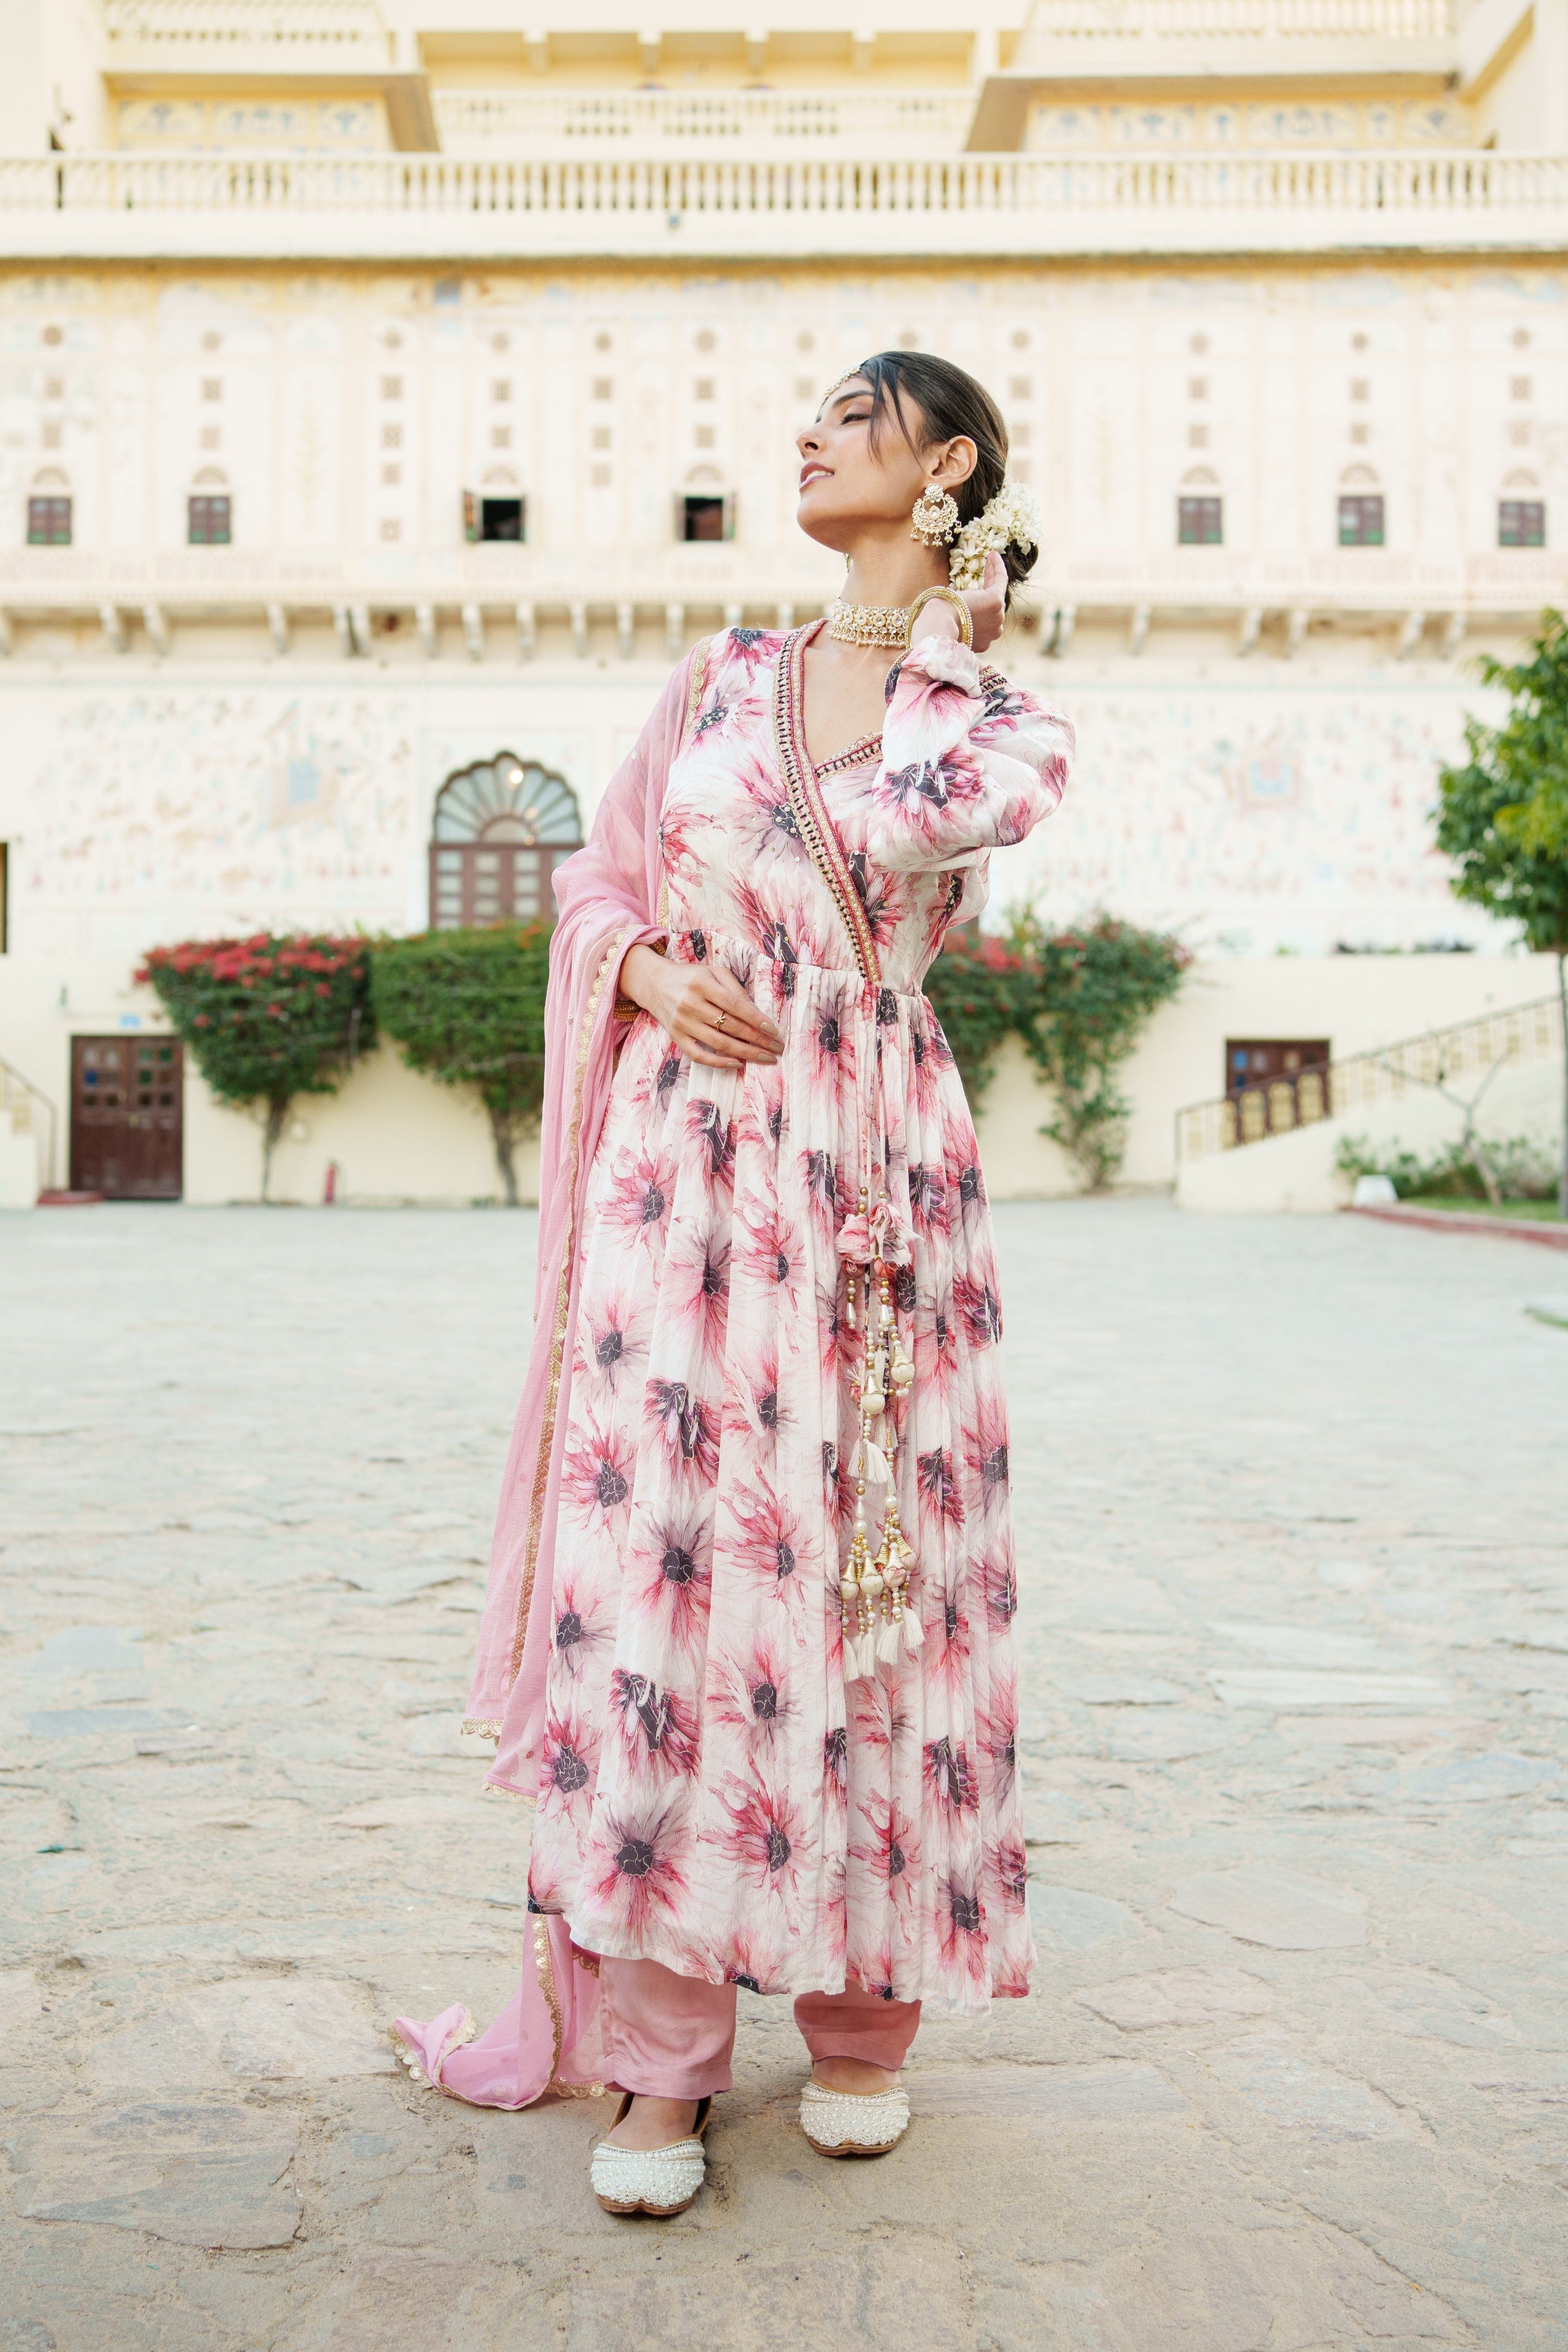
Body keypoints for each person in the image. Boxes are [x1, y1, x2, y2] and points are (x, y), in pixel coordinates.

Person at [393, 350, 1074, 2216]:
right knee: (675, 1577)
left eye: (853, 419)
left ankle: (863, 2025)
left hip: (873, 1173)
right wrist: (634, 978)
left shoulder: (986, 714)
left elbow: (945, 822)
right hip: (687, 1179)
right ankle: (663, 2055)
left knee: (878, 1569)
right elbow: (600, 883)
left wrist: (949, 629)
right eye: (807, 418)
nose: (806, 438)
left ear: (941, 466)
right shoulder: (717, 679)